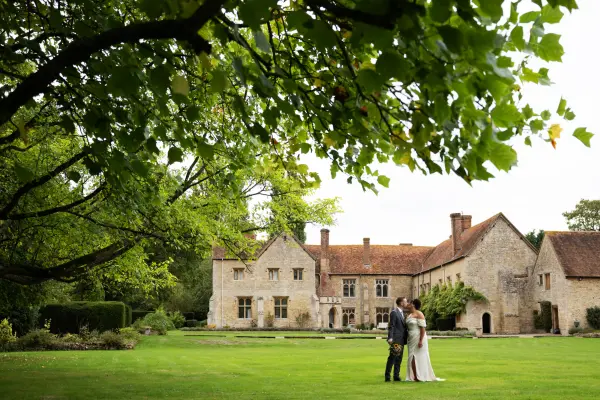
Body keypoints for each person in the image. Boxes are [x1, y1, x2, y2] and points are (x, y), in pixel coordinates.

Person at [405, 299, 444, 382]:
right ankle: (414, 376)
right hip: (411, 337)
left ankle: (420, 375)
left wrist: (420, 340)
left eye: (410, 303)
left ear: (413, 304)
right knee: (411, 357)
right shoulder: (409, 314)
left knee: (419, 356)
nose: (408, 304)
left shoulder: (419, 313)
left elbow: (422, 328)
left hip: (418, 336)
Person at [385, 297, 408, 382]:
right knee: (392, 357)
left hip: (401, 339)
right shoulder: (394, 313)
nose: (406, 303)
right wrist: (390, 337)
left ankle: (396, 376)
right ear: (401, 303)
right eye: (405, 302)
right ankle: (387, 376)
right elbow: (392, 326)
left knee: (399, 358)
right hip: (396, 338)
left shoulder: (402, 313)